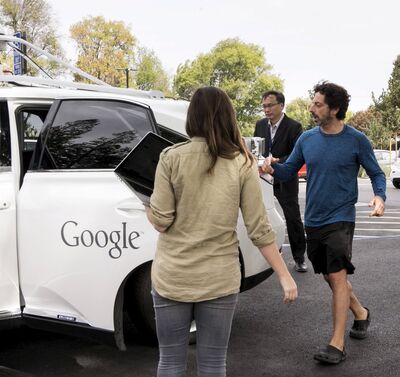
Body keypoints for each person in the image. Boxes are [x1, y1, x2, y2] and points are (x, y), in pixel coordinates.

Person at [145, 86, 298, 377]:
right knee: (214, 365)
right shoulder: (242, 162)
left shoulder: (170, 157)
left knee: (169, 362)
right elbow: (259, 228)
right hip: (220, 277)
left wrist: (146, 206)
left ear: (193, 117)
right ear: (228, 117)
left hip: (171, 276)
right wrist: (284, 274)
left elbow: (161, 221)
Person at [262, 81, 386, 365]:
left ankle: (337, 343)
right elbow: (288, 170)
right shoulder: (307, 139)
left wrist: (379, 197)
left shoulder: (357, 140)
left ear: (335, 109)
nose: (312, 108)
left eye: (318, 104)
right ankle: (361, 313)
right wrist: (271, 167)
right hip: (314, 219)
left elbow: (377, 174)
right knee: (331, 276)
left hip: (341, 218)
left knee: (338, 275)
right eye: (313, 103)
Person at [254, 90, 308, 272]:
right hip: (263, 178)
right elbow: (256, 150)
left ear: (281, 105)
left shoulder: (294, 127)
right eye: (264, 106)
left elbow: (297, 156)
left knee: (292, 218)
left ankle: (299, 258)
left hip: (285, 178)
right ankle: (261, 257)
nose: (266, 109)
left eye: (270, 105)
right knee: (258, 217)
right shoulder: (260, 125)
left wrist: (277, 162)